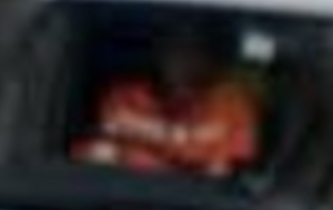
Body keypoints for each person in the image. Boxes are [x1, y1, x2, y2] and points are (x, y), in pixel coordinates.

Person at [73, 32, 263, 177]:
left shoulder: (232, 102)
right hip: (124, 196)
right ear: (160, 53)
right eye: (174, 48)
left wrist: (144, 139)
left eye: (192, 49)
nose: (181, 59)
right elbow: (105, 141)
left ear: (210, 58)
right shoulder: (125, 95)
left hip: (193, 204)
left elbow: (227, 166)